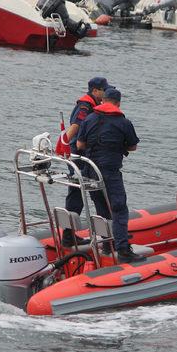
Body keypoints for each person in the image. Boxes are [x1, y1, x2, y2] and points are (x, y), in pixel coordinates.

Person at [76, 88, 144, 263]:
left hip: (90, 170)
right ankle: (123, 249)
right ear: (118, 103)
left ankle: (106, 244)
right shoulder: (124, 122)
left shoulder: (89, 118)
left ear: (102, 101)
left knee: (101, 208)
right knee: (119, 209)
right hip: (110, 171)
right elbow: (133, 147)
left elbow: (80, 144)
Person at [62, 77, 113, 247]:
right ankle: (107, 238)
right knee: (94, 193)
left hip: (81, 155)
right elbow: (76, 125)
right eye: (103, 90)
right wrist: (63, 143)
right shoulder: (85, 106)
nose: (105, 94)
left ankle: (69, 235)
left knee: (78, 193)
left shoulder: (91, 105)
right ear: (95, 91)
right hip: (81, 156)